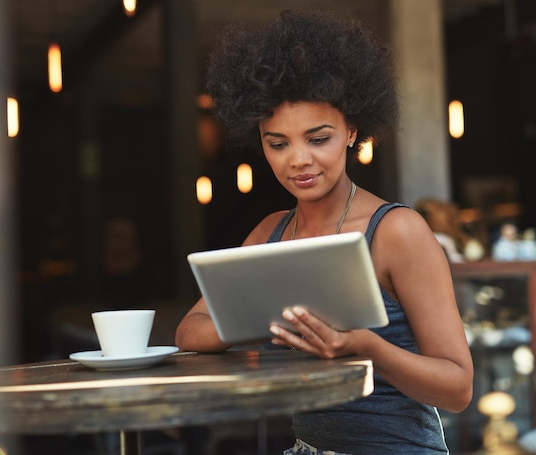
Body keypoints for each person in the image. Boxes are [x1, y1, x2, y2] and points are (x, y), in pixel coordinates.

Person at [175, 9, 473, 454]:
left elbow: (457, 387)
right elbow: (189, 332)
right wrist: (265, 316)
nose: (298, 160)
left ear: (352, 130)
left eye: (318, 139)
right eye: (278, 143)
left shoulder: (396, 232)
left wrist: (362, 346)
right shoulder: (271, 233)